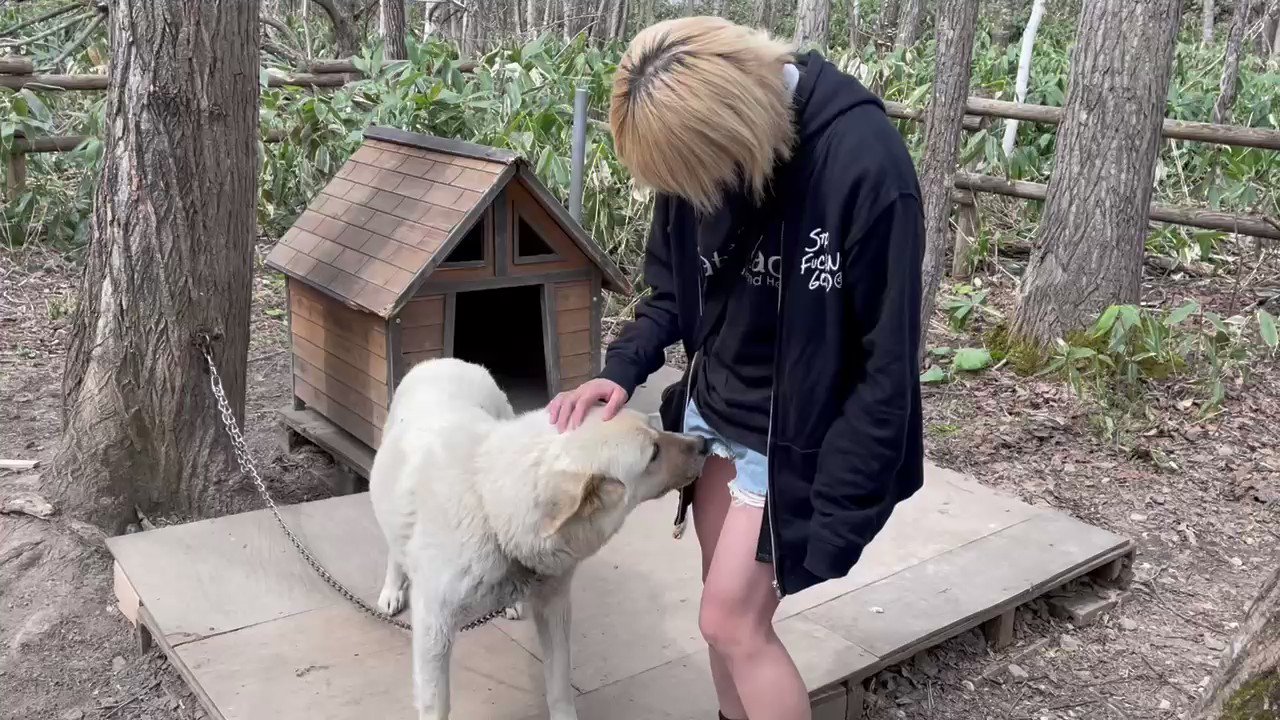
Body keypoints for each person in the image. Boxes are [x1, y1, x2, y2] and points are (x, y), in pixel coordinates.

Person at [547, 16, 925, 720]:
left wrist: (834, 509)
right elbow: (674, 291)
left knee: (733, 623)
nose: (698, 197)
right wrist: (621, 368)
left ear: (735, 129)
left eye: (704, 178)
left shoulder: (863, 163)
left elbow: (888, 368)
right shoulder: (689, 148)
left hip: (798, 436)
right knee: (719, 621)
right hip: (714, 410)